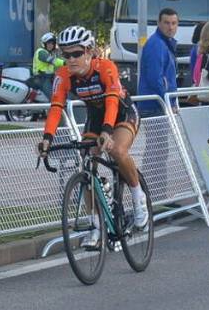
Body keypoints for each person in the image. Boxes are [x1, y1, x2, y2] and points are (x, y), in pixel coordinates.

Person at [37, 26, 147, 247]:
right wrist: (47, 137)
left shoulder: (105, 68)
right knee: (86, 166)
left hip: (122, 112)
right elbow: (56, 106)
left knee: (116, 150)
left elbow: (112, 101)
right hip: (95, 117)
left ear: (89, 51)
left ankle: (138, 198)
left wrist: (107, 132)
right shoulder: (63, 75)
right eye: (65, 55)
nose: (71, 59)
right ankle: (96, 225)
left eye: (76, 54)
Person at [137, 8, 179, 115]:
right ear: (158, 23)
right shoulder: (157, 45)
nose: (170, 27)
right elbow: (155, 79)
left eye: (174, 23)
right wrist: (168, 102)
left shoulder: (162, 43)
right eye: (166, 23)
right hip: (156, 107)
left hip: (156, 104)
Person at [31, 32, 64, 100]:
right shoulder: (41, 52)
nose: (51, 45)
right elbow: (53, 61)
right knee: (54, 98)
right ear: (44, 44)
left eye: (52, 43)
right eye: (48, 43)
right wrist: (65, 62)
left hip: (48, 78)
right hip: (41, 79)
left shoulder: (50, 53)